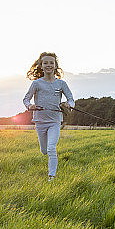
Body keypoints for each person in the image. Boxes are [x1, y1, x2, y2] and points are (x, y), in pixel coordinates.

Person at [23, 52, 75, 181]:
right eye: (45, 63)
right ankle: (46, 154)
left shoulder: (61, 84)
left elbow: (71, 99)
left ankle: (51, 177)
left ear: (55, 65)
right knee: (44, 150)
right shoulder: (36, 84)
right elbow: (26, 99)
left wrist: (69, 104)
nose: (48, 65)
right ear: (41, 66)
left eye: (51, 63)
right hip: (40, 121)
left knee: (51, 148)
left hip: (55, 121)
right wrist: (30, 106)